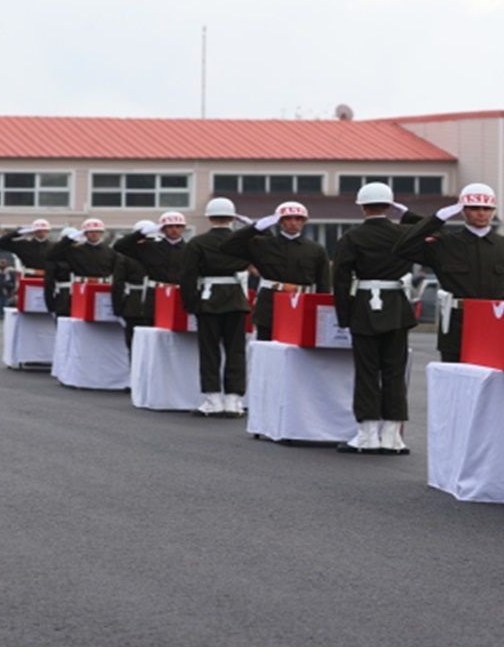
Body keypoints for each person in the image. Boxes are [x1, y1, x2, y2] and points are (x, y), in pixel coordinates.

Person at [331, 183, 422, 454]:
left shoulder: (352, 237)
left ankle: (367, 434)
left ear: (362, 206)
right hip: (396, 307)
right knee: (395, 372)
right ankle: (392, 436)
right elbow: (435, 231)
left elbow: (341, 279)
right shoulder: (405, 233)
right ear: (390, 205)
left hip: (364, 309)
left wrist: (343, 317)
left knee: (367, 371)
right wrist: (408, 216)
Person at [393, 183, 504, 362]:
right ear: (462, 211)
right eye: (474, 208)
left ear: (493, 210)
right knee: (454, 383)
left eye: (487, 208)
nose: (481, 213)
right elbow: (402, 248)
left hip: (495, 324)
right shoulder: (445, 244)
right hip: (457, 325)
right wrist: (437, 218)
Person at [180, 197, 253, 418]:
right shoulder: (243, 242)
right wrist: (250, 226)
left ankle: (212, 399)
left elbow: (188, 276)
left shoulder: (197, 242)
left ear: (209, 217)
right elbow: (265, 245)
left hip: (208, 299)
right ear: (233, 217)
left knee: (209, 351)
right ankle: (234, 399)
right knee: (236, 350)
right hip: (236, 299)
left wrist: (190, 304)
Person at [221, 201, 331, 342]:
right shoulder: (263, 244)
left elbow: (323, 284)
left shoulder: (316, 249)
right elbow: (227, 246)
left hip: (300, 303)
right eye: (288, 218)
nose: (293, 223)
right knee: (266, 347)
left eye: (298, 219)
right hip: (270, 304)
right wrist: (254, 229)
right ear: (280, 221)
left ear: (303, 221)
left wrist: (320, 312)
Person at [113, 211, 187, 350]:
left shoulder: (190, 249)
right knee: (152, 335)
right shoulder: (150, 247)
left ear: (183, 228)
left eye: (178, 226)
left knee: (177, 337)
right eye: (170, 226)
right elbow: (120, 246)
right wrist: (141, 233)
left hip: (179, 295)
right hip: (155, 295)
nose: (174, 230)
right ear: (163, 228)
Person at [46, 218, 119, 291]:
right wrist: (69, 238)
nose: (94, 234)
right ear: (85, 233)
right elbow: (50, 255)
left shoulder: (110, 252)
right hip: (81, 287)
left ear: (102, 233)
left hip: (103, 287)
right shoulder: (76, 251)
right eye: (90, 231)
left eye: (97, 231)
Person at [112, 220, 151, 349]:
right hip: (135, 303)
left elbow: (118, 283)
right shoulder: (126, 256)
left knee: (134, 341)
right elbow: (118, 283)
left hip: (135, 303)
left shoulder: (124, 257)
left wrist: (117, 307)